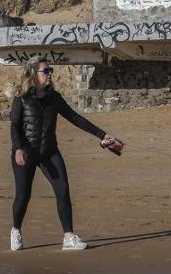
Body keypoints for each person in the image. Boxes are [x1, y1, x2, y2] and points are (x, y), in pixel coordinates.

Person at [8, 57, 118, 252]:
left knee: (63, 190)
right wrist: (18, 148)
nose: (50, 74)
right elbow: (15, 125)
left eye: (50, 70)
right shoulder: (21, 98)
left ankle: (68, 237)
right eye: (45, 71)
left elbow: (75, 118)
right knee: (23, 196)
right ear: (33, 74)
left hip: (49, 152)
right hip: (26, 153)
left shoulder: (54, 98)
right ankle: (16, 229)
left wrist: (102, 135)